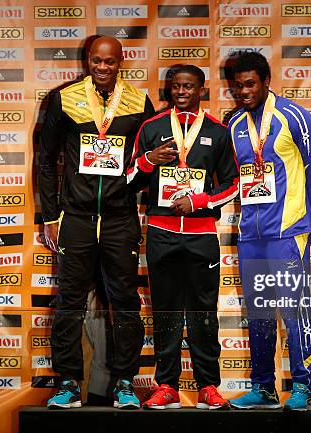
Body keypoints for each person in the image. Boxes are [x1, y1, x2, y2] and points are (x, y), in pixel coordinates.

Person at [38, 35, 156, 409]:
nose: (103, 69)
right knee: (70, 301)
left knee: (125, 302)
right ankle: (69, 381)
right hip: (75, 217)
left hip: (121, 218)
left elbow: (145, 163)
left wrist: (133, 189)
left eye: (110, 62)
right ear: (87, 61)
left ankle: (125, 381)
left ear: (122, 62)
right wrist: (50, 215)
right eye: (96, 61)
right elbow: (46, 160)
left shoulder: (139, 101)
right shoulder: (64, 98)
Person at [127, 65, 239, 409]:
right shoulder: (152, 127)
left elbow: (234, 184)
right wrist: (149, 160)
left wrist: (199, 201)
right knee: (166, 311)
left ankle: (208, 386)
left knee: (204, 312)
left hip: (202, 235)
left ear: (201, 90)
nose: (181, 92)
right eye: (176, 86)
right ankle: (167, 385)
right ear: (169, 89)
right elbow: (130, 178)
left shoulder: (219, 132)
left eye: (188, 86)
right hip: (161, 233)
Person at [226, 52, 311, 411]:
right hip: (251, 235)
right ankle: (264, 387)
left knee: (294, 308)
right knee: (259, 312)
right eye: (237, 86)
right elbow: (234, 178)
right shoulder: (235, 123)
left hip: (287, 231)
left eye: (250, 84)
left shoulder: (292, 115)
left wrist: (303, 217)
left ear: (267, 81)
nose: (244, 91)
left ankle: (304, 385)